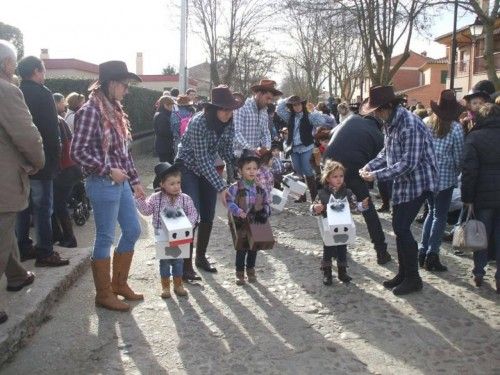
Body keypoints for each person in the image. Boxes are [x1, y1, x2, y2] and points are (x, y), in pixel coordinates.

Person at [71, 60, 145, 311]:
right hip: (102, 182)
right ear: (112, 84)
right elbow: (77, 152)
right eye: (125, 85)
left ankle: (119, 284)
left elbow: (124, 153)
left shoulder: (115, 110)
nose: (127, 90)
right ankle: (103, 294)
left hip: (120, 182)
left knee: (133, 230)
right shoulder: (90, 111)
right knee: (104, 237)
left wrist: (135, 181)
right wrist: (107, 170)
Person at [360, 85, 438, 296]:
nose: (375, 114)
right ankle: (404, 274)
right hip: (403, 183)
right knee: (399, 228)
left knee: (402, 227)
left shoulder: (410, 125)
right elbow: (386, 152)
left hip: (418, 182)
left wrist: (376, 175)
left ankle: (413, 278)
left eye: (377, 110)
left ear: (387, 107)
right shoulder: (390, 123)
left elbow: (408, 164)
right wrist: (370, 165)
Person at [176, 86, 244, 280]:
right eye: (224, 109)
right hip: (188, 166)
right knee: (192, 214)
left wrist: (238, 169)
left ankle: (200, 258)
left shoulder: (229, 122)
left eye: (230, 110)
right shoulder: (198, 123)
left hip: (207, 166)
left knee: (208, 213)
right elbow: (202, 160)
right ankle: (185, 265)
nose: (227, 113)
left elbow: (226, 150)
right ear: (214, 109)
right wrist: (222, 186)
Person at [0, 40, 45, 325]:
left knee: (5, 233)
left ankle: (16, 275)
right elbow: (27, 136)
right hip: (3, 180)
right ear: (6, 64)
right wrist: (38, 162)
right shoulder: (6, 91)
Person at [16, 56, 69, 267]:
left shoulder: (15, 91)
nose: (44, 75)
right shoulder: (42, 93)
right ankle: (45, 252)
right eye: (43, 70)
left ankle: (22, 246)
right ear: (37, 71)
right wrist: (53, 162)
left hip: (19, 162)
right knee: (43, 209)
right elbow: (50, 130)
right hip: (41, 160)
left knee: (22, 208)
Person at [324, 112, 392, 265]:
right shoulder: (377, 134)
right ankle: (381, 251)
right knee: (368, 209)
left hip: (329, 164)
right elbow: (383, 161)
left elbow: (332, 133)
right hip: (353, 168)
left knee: (335, 207)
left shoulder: (350, 119)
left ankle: (336, 249)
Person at [135, 162, 198, 298]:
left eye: (178, 183)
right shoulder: (155, 198)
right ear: (162, 184)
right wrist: (139, 199)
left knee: (179, 260)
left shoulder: (185, 199)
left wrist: (189, 225)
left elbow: (193, 213)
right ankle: (165, 286)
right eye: (172, 183)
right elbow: (146, 211)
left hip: (179, 236)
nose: (176, 186)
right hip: (162, 235)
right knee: (164, 262)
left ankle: (178, 284)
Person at [418, 90, 464, 272]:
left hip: (427, 177)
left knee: (431, 212)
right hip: (445, 179)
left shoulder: (425, 123)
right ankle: (432, 254)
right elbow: (459, 157)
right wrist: (455, 171)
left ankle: (423, 250)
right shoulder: (456, 128)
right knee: (440, 216)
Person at [461, 103, 500, 293]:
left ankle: (478, 272)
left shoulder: (474, 137)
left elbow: (469, 170)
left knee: (480, 234)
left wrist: (467, 197)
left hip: (482, 194)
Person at [311, 160, 368, 285]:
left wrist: (362, 206)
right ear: (327, 178)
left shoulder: (348, 193)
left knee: (342, 248)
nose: (339, 179)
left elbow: (353, 207)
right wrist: (316, 208)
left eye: (341, 176)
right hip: (329, 227)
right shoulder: (322, 194)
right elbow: (314, 208)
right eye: (335, 176)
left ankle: (342, 272)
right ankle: (327, 272)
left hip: (343, 226)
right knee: (328, 249)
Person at [227, 150, 271, 285]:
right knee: (241, 248)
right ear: (240, 170)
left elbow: (266, 203)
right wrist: (238, 211)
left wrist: (265, 212)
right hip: (240, 222)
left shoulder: (260, 188)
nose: (252, 171)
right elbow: (229, 202)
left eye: (254, 168)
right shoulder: (235, 187)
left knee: (254, 248)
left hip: (256, 222)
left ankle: (251, 270)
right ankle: (239, 273)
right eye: (248, 168)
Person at [276, 95, 330, 202]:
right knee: (298, 171)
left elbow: (321, 121)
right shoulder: (289, 116)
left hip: (306, 146)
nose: (297, 107)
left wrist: (313, 110)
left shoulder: (309, 116)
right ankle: (301, 197)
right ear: (291, 106)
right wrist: (287, 99)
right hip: (293, 147)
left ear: (302, 105)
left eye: (298, 104)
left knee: (306, 169)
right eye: (294, 105)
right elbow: (279, 109)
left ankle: (315, 197)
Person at [52, 93, 82, 248]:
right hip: (71, 168)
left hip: (66, 169)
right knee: (57, 204)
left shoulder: (56, 121)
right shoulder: (60, 120)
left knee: (58, 205)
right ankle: (59, 236)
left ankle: (69, 239)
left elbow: (61, 148)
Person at [233, 79, 282, 157]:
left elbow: (265, 133)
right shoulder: (242, 107)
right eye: (267, 98)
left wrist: (266, 148)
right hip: (238, 156)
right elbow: (236, 132)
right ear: (259, 94)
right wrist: (250, 148)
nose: (269, 102)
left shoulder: (264, 111)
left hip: (255, 156)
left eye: (271, 99)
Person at [153, 95, 176, 163]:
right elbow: (164, 131)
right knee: (167, 167)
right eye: (171, 106)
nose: (172, 108)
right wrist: (175, 133)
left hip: (165, 145)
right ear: (165, 105)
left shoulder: (162, 114)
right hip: (164, 146)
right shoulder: (161, 116)